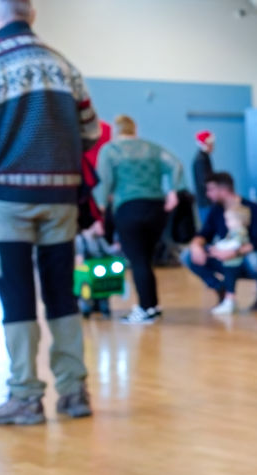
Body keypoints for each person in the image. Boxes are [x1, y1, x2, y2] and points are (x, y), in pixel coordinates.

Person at [0, 0, 101, 426]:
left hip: (6, 201)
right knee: (61, 294)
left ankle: (25, 396)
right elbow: (91, 131)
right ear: (31, 14)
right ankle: (73, 391)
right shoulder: (63, 65)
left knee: (16, 297)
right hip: (61, 198)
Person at [92, 114, 185, 325]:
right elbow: (176, 165)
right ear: (134, 128)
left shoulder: (111, 150)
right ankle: (152, 305)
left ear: (116, 130)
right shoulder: (152, 148)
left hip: (129, 208)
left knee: (138, 260)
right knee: (146, 259)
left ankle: (145, 309)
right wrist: (173, 191)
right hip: (156, 209)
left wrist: (100, 211)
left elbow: (104, 181)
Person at [182, 171, 257, 314]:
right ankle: (220, 289)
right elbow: (205, 233)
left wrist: (233, 252)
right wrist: (196, 246)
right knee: (187, 255)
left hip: (245, 259)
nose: (208, 194)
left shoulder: (252, 209)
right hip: (224, 255)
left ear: (223, 189)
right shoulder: (216, 210)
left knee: (256, 259)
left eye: (211, 190)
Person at [192, 130, 215, 225]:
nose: (213, 146)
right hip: (205, 202)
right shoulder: (201, 160)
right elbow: (205, 181)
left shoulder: (204, 157)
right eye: (211, 144)